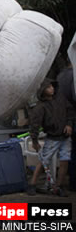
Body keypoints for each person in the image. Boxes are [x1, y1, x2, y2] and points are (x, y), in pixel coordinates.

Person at [27, 78, 75, 197]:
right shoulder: (40, 107)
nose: (52, 89)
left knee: (65, 161)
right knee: (43, 161)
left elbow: (70, 111)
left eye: (52, 86)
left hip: (65, 137)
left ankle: (57, 186)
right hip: (52, 138)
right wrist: (34, 140)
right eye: (48, 87)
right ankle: (32, 184)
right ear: (43, 90)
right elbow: (34, 124)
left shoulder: (61, 98)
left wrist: (69, 124)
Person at [56, 60, 76, 191]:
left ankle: (71, 182)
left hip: (63, 120)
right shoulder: (73, 76)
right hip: (72, 118)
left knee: (71, 152)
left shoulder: (61, 76)